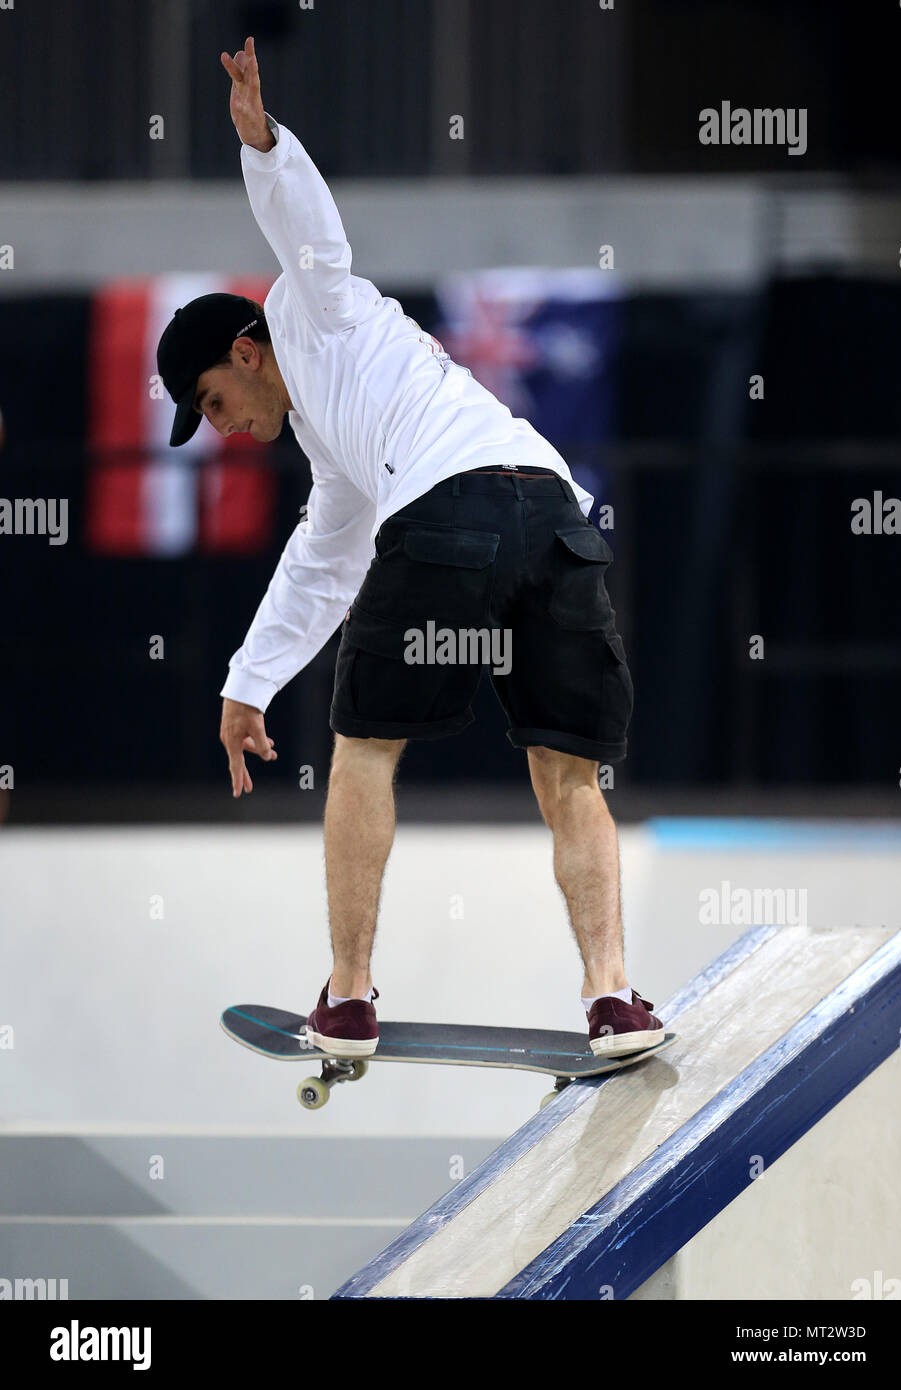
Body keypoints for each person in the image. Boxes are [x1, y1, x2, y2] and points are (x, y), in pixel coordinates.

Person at [156, 37, 663, 1061]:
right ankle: (613, 999)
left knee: (362, 748)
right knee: (569, 771)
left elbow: (310, 235)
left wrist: (261, 143)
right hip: (559, 520)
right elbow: (320, 561)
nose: (220, 423)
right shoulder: (342, 446)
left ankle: (347, 998)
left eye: (214, 398)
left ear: (246, 351)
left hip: (451, 517)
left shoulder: (315, 311)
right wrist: (247, 682)